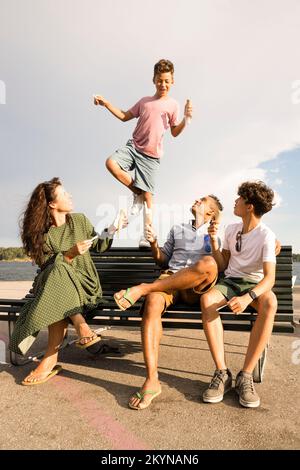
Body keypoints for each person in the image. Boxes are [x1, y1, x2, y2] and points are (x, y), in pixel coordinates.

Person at [9, 177, 127, 386]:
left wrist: (112, 228)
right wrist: (70, 254)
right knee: (58, 271)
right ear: (52, 204)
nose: (70, 196)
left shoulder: (79, 220)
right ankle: (80, 330)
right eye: (64, 194)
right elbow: (48, 268)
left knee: (58, 277)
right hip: (58, 287)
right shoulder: (42, 236)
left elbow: (99, 246)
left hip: (85, 287)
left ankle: (53, 356)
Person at [114, 195, 223, 409]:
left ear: (210, 213)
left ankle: (142, 288)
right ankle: (152, 379)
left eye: (202, 200)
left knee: (208, 262)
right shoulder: (178, 228)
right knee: (153, 301)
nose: (196, 200)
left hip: (197, 287)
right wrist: (154, 243)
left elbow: (221, 266)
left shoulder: (219, 231)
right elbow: (162, 259)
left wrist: (214, 242)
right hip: (169, 280)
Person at [94, 59, 192, 247]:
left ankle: (147, 234)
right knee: (111, 163)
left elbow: (174, 132)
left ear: (172, 82)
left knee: (149, 197)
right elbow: (124, 117)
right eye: (159, 80)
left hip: (151, 156)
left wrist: (186, 120)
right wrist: (106, 103)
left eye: (166, 81)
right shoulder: (144, 102)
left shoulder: (173, 105)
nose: (162, 84)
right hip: (133, 147)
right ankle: (137, 192)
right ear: (153, 80)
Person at [201, 181, 277, 408]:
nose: (235, 201)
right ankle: (222, 373)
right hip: (232, 281)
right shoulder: (231, 230)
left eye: (239, 199)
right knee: (207, 300)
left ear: (249, 206)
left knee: (270, 303)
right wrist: (214, 241)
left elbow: (269, 278)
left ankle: (245, 375)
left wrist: (248, 298)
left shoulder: (266, 235)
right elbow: (223, 264)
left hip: (254, 285)